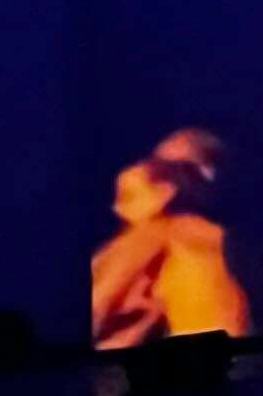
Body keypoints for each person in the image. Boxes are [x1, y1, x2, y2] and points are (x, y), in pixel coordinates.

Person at [90, 127, 253, 348]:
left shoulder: (170, 233)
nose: (138, 171)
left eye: (160, 169)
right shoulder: (209, 238)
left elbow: (98, 304)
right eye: (151, 162)